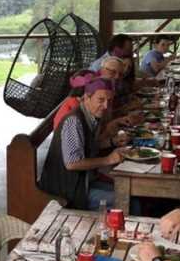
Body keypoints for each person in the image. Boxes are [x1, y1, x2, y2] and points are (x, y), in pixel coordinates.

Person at [39, 78, 124, 210]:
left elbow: (87, 145)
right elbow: (72, 163)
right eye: (101, 100)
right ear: (86, 98)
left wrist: (112, 142)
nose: (106, 106)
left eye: (109, 101)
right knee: (127, 200)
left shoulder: (90, 116)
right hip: (67, 191)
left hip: (84, 182)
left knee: (127, 191)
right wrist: (108, 159)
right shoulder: (74, 121)